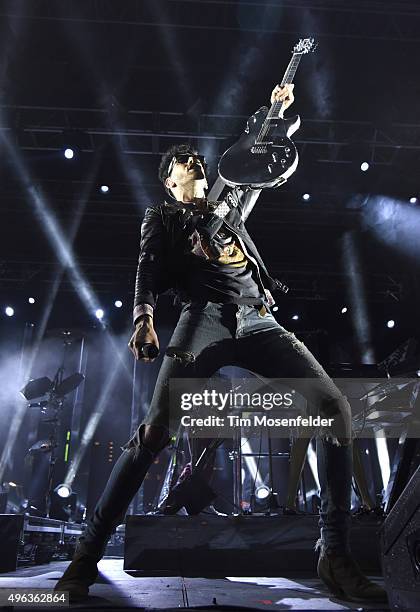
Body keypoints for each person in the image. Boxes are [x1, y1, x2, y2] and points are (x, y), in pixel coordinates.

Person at [55, 84, 386, 603]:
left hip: (257, 320)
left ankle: (333, 552)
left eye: (198, 161)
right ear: (169, 183)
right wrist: (143, 316)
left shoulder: (229, 209)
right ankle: (85, 555)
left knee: (335, 409)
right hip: (201, 321)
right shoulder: (161, 216)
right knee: (154, 434)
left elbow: (250, 155)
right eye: (184, 163)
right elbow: (146, 266)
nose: (196, 163)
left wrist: (275, 109)